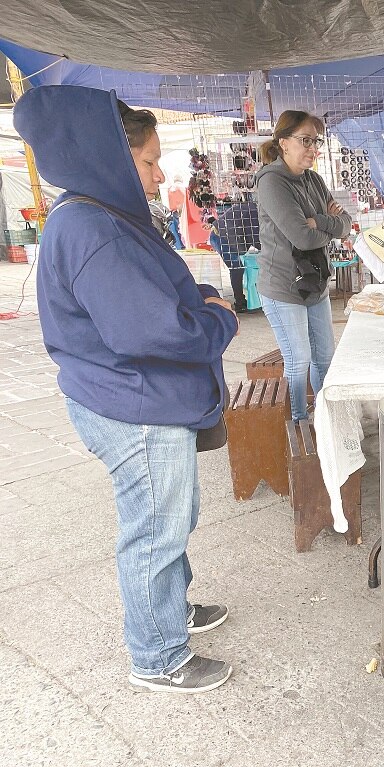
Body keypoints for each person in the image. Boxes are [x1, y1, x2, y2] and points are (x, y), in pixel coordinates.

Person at [15, 86, 239, 692]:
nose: (158, 171)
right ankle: (157, 655)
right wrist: (218, 317)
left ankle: (168, 609)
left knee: (173, 513)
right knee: (155, 527)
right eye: (147, 160)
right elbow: (153, 331)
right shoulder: (92, 227)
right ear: (109, 157)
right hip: (131, 401)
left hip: (130, 392)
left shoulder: (96, 213)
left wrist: (197, 303)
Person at [255, 110, 351, 421]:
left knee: (325, 357)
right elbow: (302, 237)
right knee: (298, 360)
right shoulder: (272, 182)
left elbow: (346, 223)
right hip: (283, 286)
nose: (313, 148)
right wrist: (328, 226)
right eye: (305, 140)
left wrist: (321, 221)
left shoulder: (313, 179)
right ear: (283, 143)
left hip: (316, 282)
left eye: (316, 141)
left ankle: (325, 420)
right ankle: (299, 421)